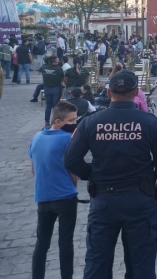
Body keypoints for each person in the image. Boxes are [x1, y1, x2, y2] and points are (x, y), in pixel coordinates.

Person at [63, 70, 157, 278]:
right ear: (136, 91)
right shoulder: (150, 122)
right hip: (140, 199)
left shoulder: (91, 122)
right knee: (141, 265)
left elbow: (70, 160)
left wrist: (92, 173)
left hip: (104, 199)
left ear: (109, 92)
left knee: (97, 264)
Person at [28, 101, 79, 279]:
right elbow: (73, 170)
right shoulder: (67, 140)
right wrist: (74, 186)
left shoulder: (36, 137)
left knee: (42, 243)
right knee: (65, 243)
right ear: (58, 121)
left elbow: (33, 169)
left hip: (43, 197)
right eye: (71, 120)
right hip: (66, 197)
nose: (75, 123)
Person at [40, 56, 65, 127]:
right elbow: (63, 79)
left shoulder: (44, 68)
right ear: (54, 61)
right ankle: (55, 121)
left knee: (48, 105)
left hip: (47, 88)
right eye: (57, 60)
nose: (58, 61)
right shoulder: (59, 69)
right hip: (56, 88)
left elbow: (40, 72)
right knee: (55, 106)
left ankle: (46, 121)